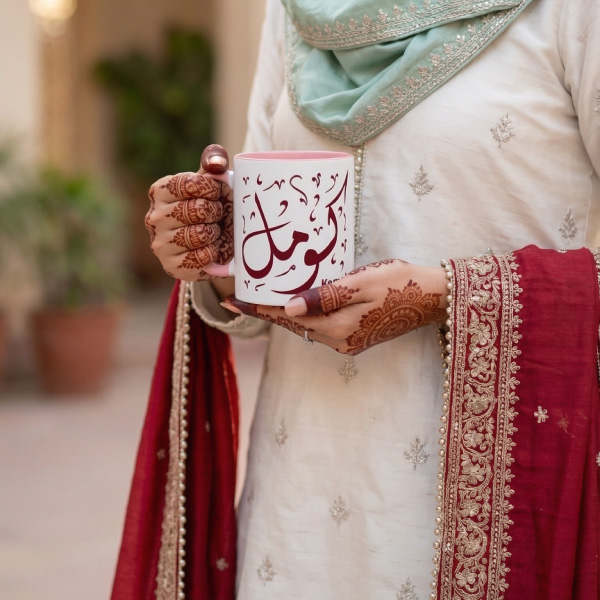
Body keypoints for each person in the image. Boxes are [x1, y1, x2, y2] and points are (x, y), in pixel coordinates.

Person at [112, 0, 600, 598]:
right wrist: (208, 247)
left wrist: (449, 295)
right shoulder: (292, 11)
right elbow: (255, 259)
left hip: (483, 509)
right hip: (297, 510)